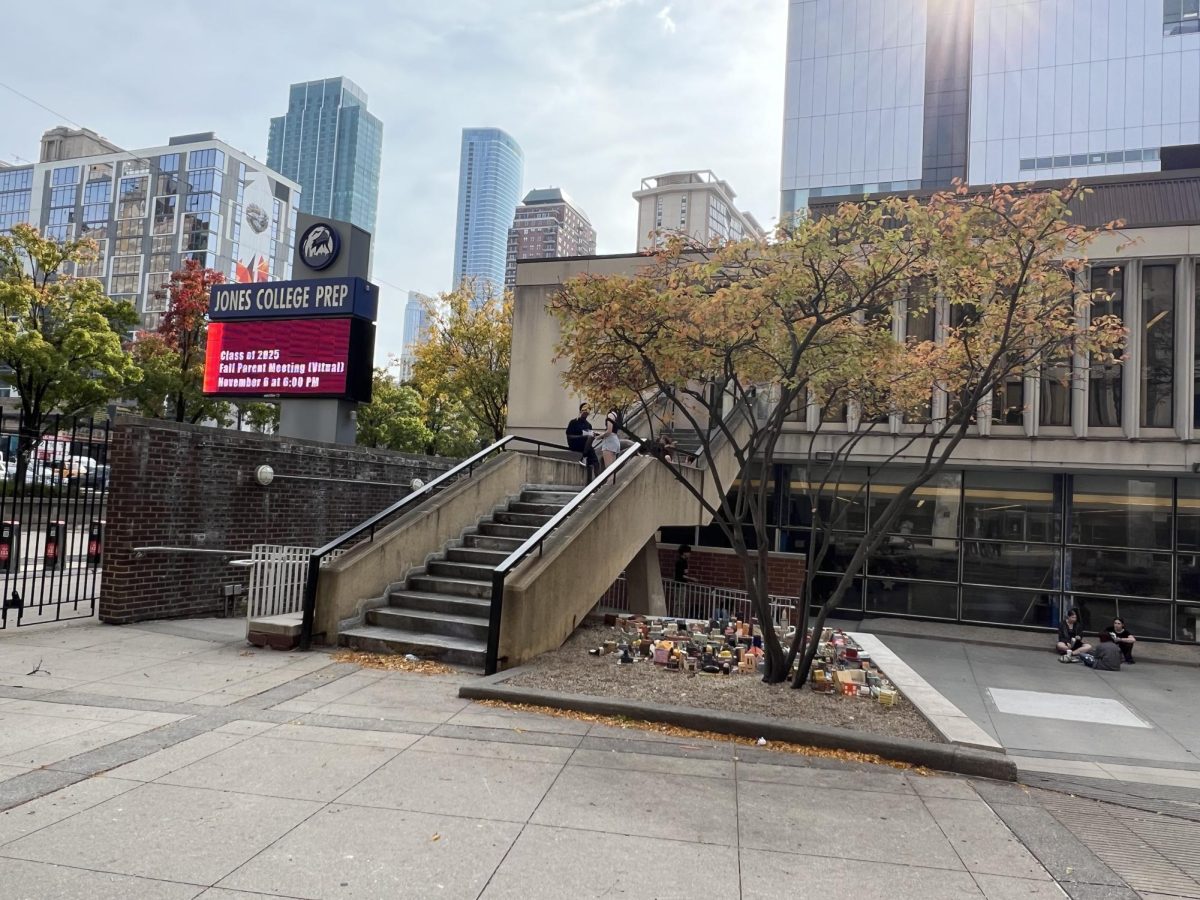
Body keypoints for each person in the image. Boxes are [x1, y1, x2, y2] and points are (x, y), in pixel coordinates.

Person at [565, 402, 599, 477]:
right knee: (589, 438)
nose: (586, 414)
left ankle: (598, 482)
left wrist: (592, 436)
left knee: (595, 460)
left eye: (587, 413)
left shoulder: (588, 425)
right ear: (580, 411)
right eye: (584, 412)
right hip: (575, 443)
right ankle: (584, 457)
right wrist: (582, 436)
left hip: (585, 446)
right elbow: (569, 436)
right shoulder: (573, 422)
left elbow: (590, 439)